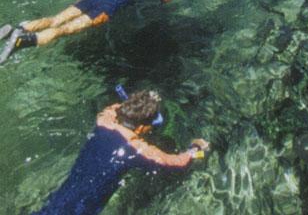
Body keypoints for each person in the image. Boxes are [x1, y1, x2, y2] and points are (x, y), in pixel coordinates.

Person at [34, 89, 210, 215]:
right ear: (141, 128)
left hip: (60, 198)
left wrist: (135, 106)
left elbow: (116, 108)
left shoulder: (104, 120)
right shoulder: (137, 149)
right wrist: (197, 148)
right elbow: (178, 162)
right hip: (83, 208)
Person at [0, 0, 181, 63]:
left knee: (55, 19)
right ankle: (21, 42)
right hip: (107, 7)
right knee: (64, 30)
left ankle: (18, 28)